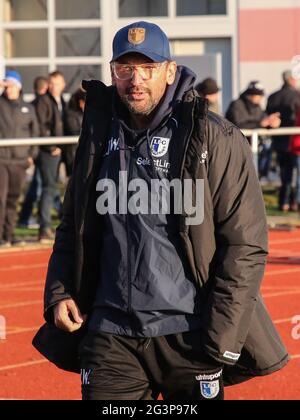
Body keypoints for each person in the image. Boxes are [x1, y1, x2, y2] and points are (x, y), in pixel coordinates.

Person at [33, 21, 288, 401]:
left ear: (169, 71)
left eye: (148, 68)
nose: (135, 79)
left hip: (191, 334)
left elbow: (245, 245)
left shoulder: (215, 137)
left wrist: (221, 333)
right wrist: (60, 290)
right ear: (113, 73)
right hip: (111, 334)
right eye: (125, 68)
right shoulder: (99, 134)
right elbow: (73, 224)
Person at [0, 70, 39, 248]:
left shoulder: (28, 108)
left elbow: (35, 133)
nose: (9, 88)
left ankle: (8, 235)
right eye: (6, 85)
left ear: (19, 87)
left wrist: (32, 155)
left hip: (20, 161)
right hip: (2, 160)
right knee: (1, 198)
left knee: (13, 199)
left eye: (12, 85)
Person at [34, 71, 66, 243]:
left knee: (53, 187)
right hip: (48, 152)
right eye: (51, 83)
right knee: (48, 188)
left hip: (60, 150)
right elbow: (40, 126)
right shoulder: (44, 101)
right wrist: (52, 146)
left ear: (63, 84)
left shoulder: (60, 101)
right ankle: (44, 228)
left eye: (57, 83)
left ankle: (55, 222)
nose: (54, 86)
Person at [18, 76, 49, 229]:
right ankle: (25, 217)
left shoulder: (31, 104)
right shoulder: (40, 103)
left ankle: (24, 217)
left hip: (34, 150)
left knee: (37, 185)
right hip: (40, 151)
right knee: (39, 186)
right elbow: (38, 128)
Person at [267, 71, 300, 212]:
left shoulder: (273, 96)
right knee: (295, 174)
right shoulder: (297, 96)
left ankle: (284, 202)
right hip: (294, 140)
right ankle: (294, 202)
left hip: (278, 140)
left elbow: (268, 117)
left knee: (284, 173)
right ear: (291, 80)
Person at [64, 88, 86, 176]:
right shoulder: (71, 114)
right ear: (81, 103)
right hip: (74, 153)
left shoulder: (82, 114)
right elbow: (74, 131)